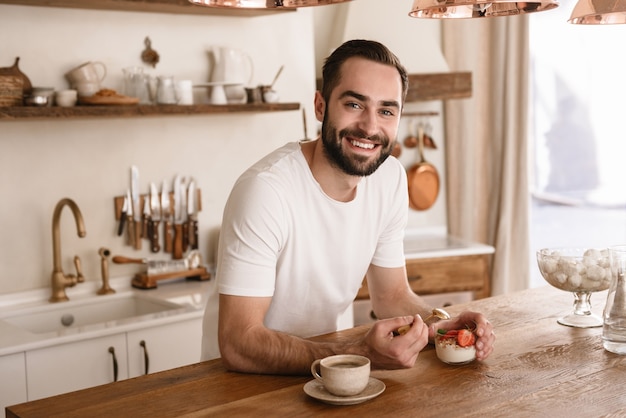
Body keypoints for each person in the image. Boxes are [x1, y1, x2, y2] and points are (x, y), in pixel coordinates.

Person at [201, 39, 495, 374]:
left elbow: (391, 295)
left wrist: (441, 325)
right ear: (320, 106)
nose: (370, 127)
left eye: (386, 110)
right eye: (355, 104)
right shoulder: (266, 191)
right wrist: (356, 353)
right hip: (240, 386)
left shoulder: (390, 178)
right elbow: (239, 343)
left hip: (336, 377)